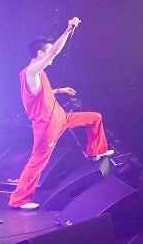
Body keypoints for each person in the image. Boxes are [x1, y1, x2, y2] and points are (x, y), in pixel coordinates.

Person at [8, 17, 112, 210]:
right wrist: (68, 30)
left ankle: (95, 152)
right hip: (47, 126)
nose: (52, 58)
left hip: (61, 118)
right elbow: (55, 51)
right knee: (37, 162)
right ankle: (19, 199)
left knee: (95, 117)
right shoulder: (31, 71)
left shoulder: (38, 75)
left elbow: (40, 95)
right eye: (48, 53)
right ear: (40, 53)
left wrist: (59, 90)